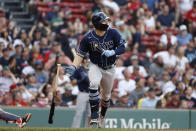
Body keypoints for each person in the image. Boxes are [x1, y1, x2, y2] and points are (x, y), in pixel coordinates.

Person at [66, 12, 126, 128]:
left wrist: (113, 52)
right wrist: (73, 66)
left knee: (106, 96)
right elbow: (80, 54)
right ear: (97, 24)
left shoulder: (113, 32)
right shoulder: (88, 37)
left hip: (110, 68)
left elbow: (122, 47)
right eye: (104, 21)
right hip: (95, 65)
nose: (106, 23)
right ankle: (94, 115)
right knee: (93, 84)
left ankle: (102, 116)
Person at [71, 55, 90, 128]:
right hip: (83, 93)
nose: (88, 60)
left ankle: (88, 129)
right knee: (79, 113)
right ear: (84, 60)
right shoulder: (79, 70)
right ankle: (75, 128)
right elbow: (73, 82)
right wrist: (81, 80)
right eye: (87, 59)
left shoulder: (92, 69)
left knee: (90, 114)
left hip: (92, 93)